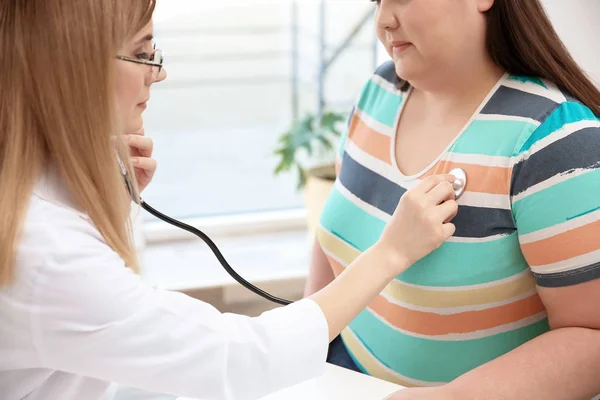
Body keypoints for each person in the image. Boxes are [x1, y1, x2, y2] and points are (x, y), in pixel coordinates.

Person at [0, 1, 461, 399]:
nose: (158, 73)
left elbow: (96, 342)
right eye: (142, 54)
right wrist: (391, 253)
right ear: (72, 67)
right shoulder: (45, 252)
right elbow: (239, 360)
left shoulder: (36, 212)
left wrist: (98, 203)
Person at [304, 0, 600, 399]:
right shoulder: (380, 91)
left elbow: (590, 338)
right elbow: (339, 230)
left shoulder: (554, 142)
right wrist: (303, 348)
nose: (384, 20)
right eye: (376, 1)